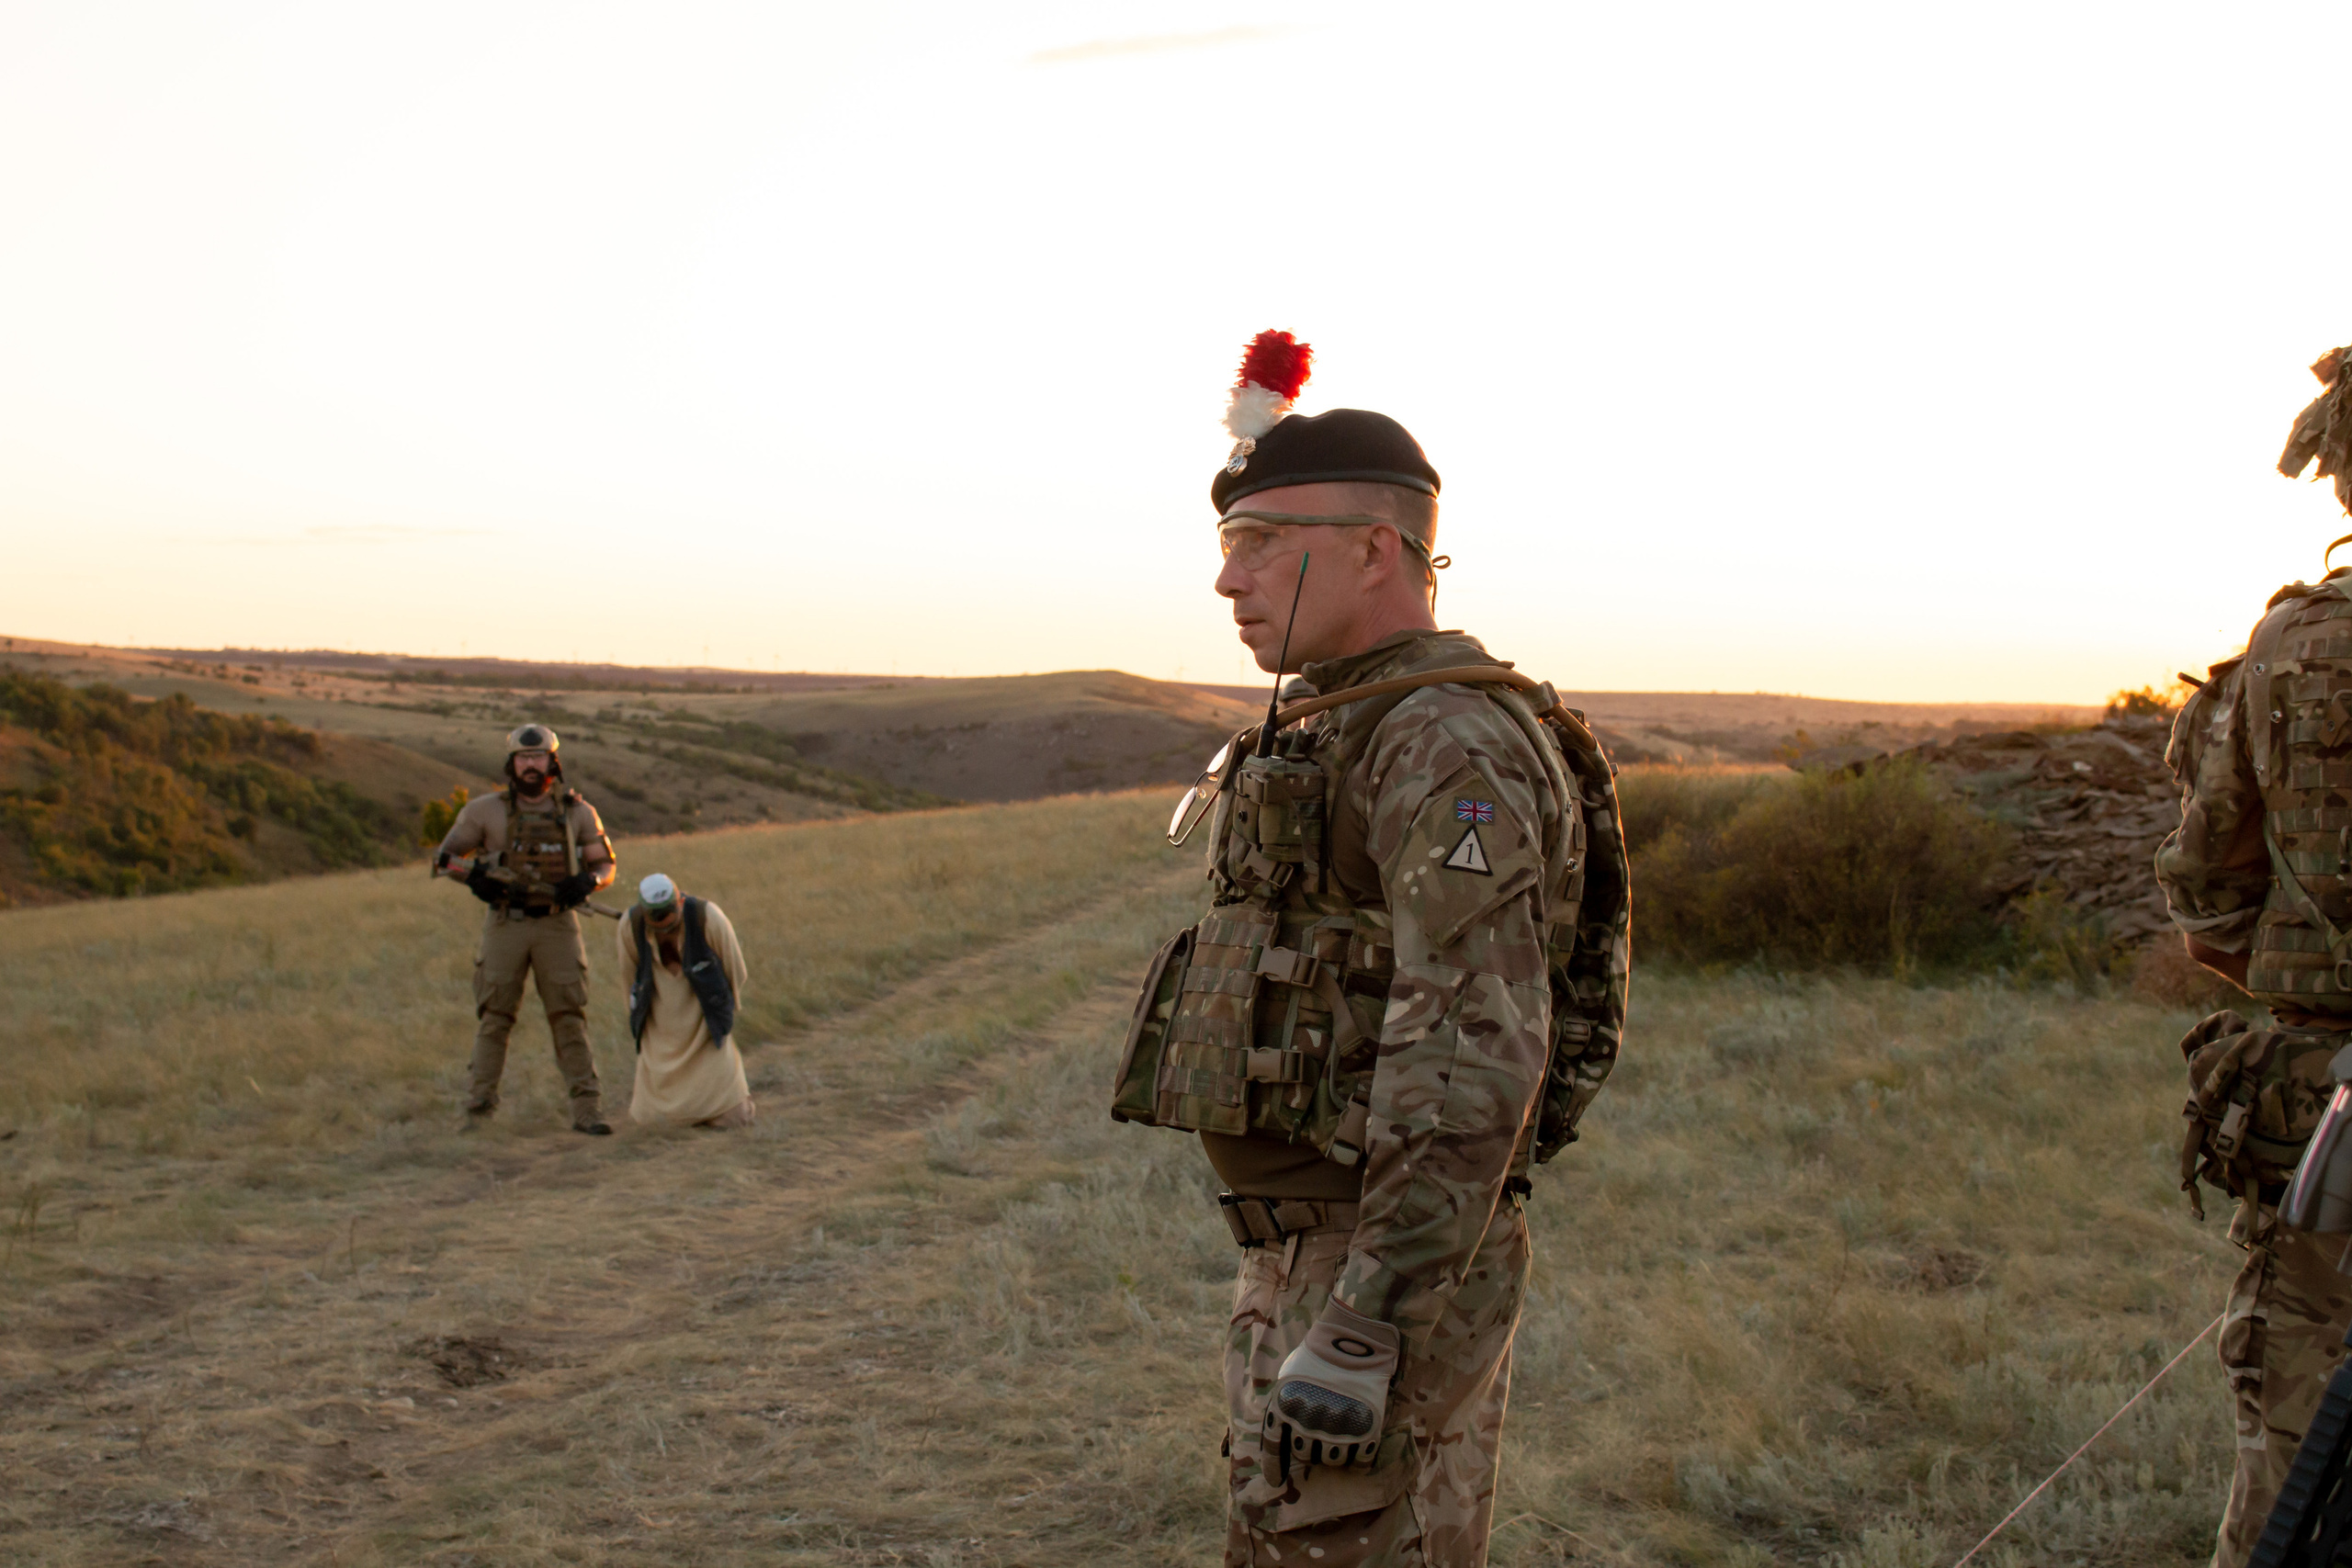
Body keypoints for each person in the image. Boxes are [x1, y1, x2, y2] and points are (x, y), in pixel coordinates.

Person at [1113, 332, 1631, 1566]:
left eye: (1258, 545)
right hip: (1321, 1247)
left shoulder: (1443, 736)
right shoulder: (1357, 714)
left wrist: (1370, 1314)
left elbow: (1469, 1042)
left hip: (1375, 1255)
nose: (1227, 582)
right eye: (1223, 547)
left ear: (1373, 549)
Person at [2157, 341, 2352, 1567]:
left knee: (2291, 1457)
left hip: (2325, 1107)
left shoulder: (2293, 648)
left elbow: (2208, 886)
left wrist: (2308, 1003)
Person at [431, 723, 618, 1134]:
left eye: (537, 758)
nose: (530, 765)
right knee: (495, 1017)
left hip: (557, 923)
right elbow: (444, 859)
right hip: (505, 923)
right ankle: (478, 1114)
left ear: (553, 761)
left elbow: (605, 865)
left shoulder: (578, 812)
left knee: (569, 1016)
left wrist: (588, 882)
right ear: (511, 763)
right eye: (523, 758)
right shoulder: (483, 811)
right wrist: (475, 878)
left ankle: (588, 1111)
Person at [616, 872, 753, 1129]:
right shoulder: (630, 926)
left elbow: (736, 971)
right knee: (652, 1123)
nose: (665, 930)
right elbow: (629, 982)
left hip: (705, 1026)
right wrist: (641, 1024)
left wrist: (722, 1011)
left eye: (670, 925)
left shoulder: (709, 918)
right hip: (661, 1030)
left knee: (734, 1117)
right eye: (658, 926)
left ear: (679, 902)